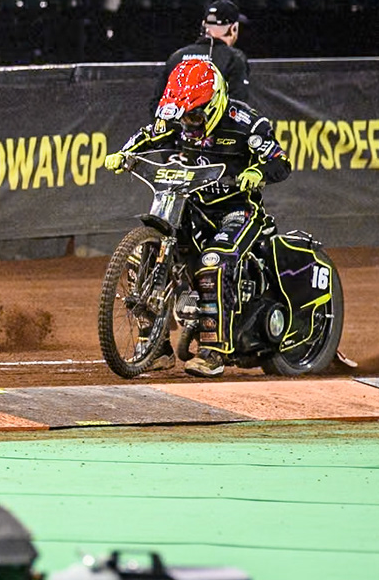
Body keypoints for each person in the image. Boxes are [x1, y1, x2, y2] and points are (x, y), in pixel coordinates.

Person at [104, 57, 289, 377]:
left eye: (195, 114)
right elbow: (150, 133)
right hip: (191, 208)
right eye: (183, 115)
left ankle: (214, 352)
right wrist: (124, 153)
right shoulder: (178, 115)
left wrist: (256, 172)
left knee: (214, 262)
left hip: (237, 211)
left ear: (216, 101)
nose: (189, 122)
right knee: (142, 256)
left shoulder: (247, 122)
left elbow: (279, 162)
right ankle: (156, 347)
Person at [156, 0, 253, 109]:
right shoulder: (234, 58)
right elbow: (237, 104)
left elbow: (157, 103)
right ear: (234, 28)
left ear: (203, 25)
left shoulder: (177, 56)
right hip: (216, 125)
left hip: (174, 124)